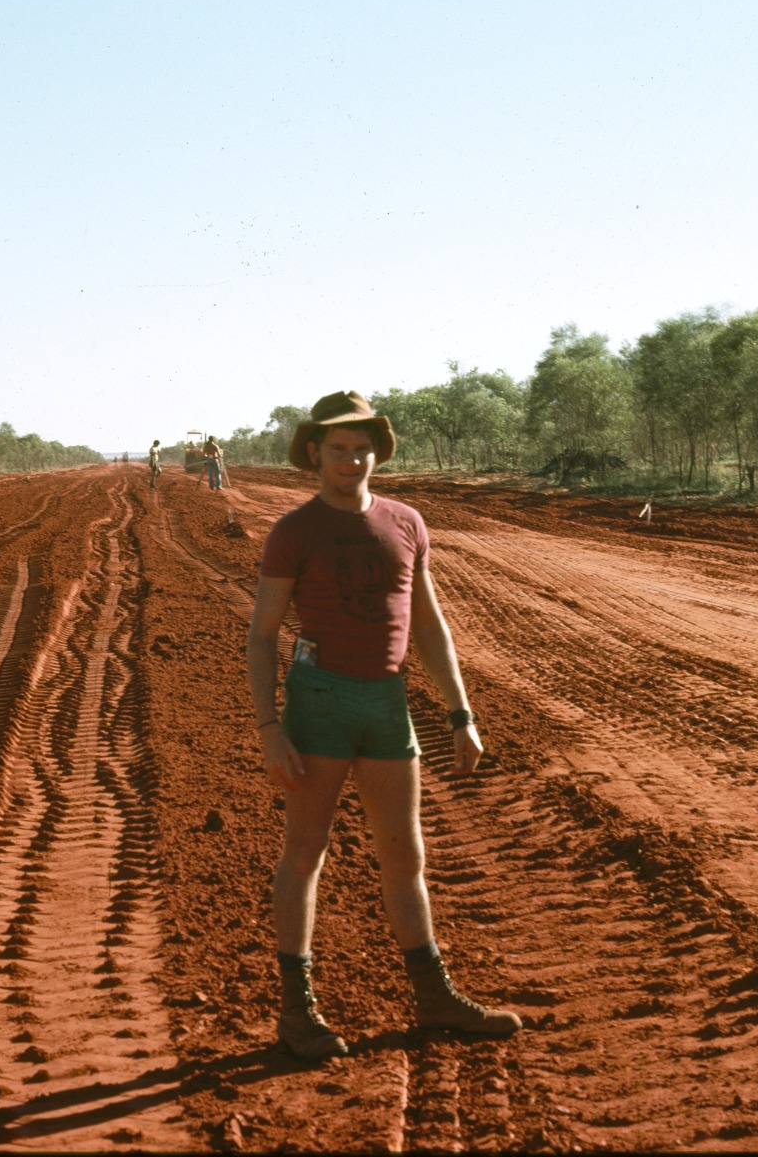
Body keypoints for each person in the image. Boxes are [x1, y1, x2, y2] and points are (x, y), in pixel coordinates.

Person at [247, 390, 521, 1061]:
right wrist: (270, 728)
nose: (352, 460)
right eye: (339, 449)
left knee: (405, 857)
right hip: (319, 702)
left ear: (377, 453)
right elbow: (262, 634)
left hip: (387, 703)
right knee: (305, 852)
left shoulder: (406, 522)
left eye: (363, 448)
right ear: (316, 453)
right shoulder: (295, 531)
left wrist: (460, 713)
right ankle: (297, 1012)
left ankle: (433, 996)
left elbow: (429, 625)